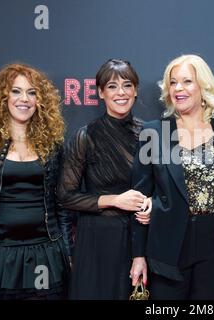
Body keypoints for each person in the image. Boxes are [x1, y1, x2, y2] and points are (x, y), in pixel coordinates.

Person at [130, 54, 214, 299]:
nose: (178, 89)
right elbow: (140, 197)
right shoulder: (154, 132)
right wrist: (138, 255)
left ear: (203, 86)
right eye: (173, 82)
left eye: (187, 81)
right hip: (168, 247)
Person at [0, 63, 72, 299]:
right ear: (3, 97)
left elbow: (61, 205)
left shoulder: (52, 145)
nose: (24, 99)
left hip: (44, 254)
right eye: (16, 91)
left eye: (32, 92)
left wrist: (68, 253)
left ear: (40, 101)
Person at [57, 59, 150, 300]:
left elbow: (164, 190)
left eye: (127, 85)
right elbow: (66, 196)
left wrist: (153, 204)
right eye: (112, 86)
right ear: (100, 92)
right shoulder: (85, 137)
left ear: (136, 90)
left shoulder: (150, 135)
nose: (121, 93)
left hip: (138, 239)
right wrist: (114, 200)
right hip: (95, 238)